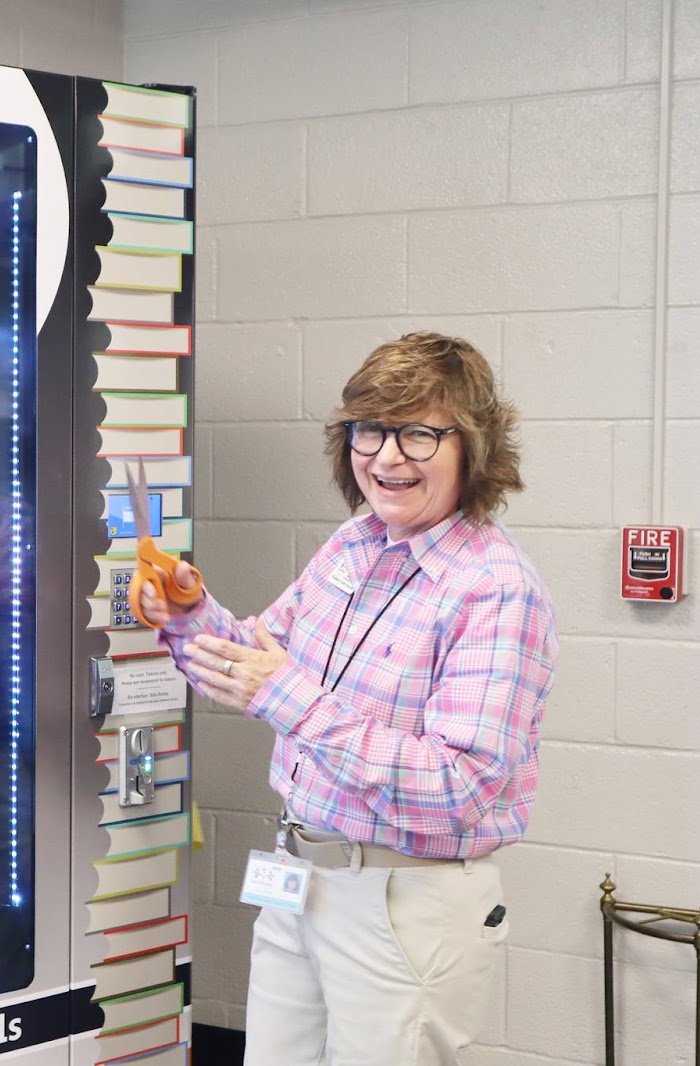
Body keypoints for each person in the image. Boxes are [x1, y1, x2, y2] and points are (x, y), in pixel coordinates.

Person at [138, 332, 557, 1065]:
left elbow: (455, 789)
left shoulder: (495, 590)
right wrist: (187, 612)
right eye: (371, 430)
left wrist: (288, 698)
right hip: (298, 873)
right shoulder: (356, 543)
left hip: (402, 903)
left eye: (420, 434)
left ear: (474, 449)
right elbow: (256, 661)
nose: (387, 457)